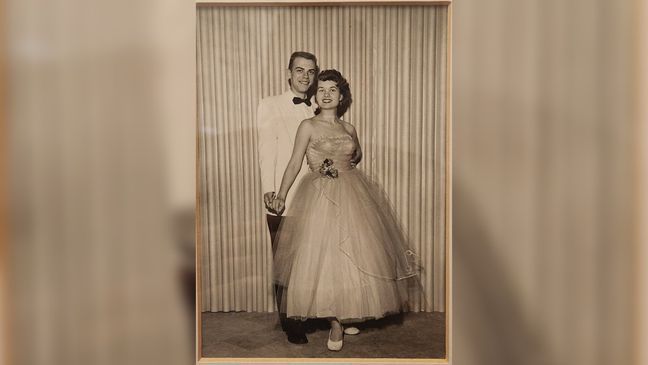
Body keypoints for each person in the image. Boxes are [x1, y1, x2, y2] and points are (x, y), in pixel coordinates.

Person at [269, 69, 420, 351]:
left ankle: (348, 311)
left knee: (353, 258)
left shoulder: (349, 128)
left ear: (341, 96)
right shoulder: (308, 126)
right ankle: (336, 323)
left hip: (352, 193)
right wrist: (281, 194)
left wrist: (342, 165)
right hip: (319, 197)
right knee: (326, 259)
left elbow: (356, 154)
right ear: (315, 95)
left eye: (332, 89)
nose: (326, 94)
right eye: (321, 89)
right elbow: (293, 163)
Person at [256, 52, 360, 344]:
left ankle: (330, 313)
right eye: (299, 71)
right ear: (288, 72)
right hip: (285, 195)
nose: (305, 76)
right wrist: (271, 189)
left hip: (324, 195)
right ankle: (292, 324)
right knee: (286, 261)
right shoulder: (270, 105)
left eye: (311, 72)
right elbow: (267, 149)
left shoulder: (320, 109)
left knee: (322, 257)